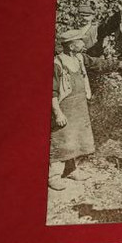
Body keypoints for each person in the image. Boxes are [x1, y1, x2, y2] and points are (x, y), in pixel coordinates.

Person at [50, 28, 96, 195]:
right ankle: (53, 176)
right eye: (80, 41)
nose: (83, 44)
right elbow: (52, 92)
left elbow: (98, 64)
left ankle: (70, 170)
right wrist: (58, 113)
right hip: (65, 109)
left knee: (75, 139)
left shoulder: (79, 59)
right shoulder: (57, 63)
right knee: (61, 140)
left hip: (79, 108)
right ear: (71, 45)